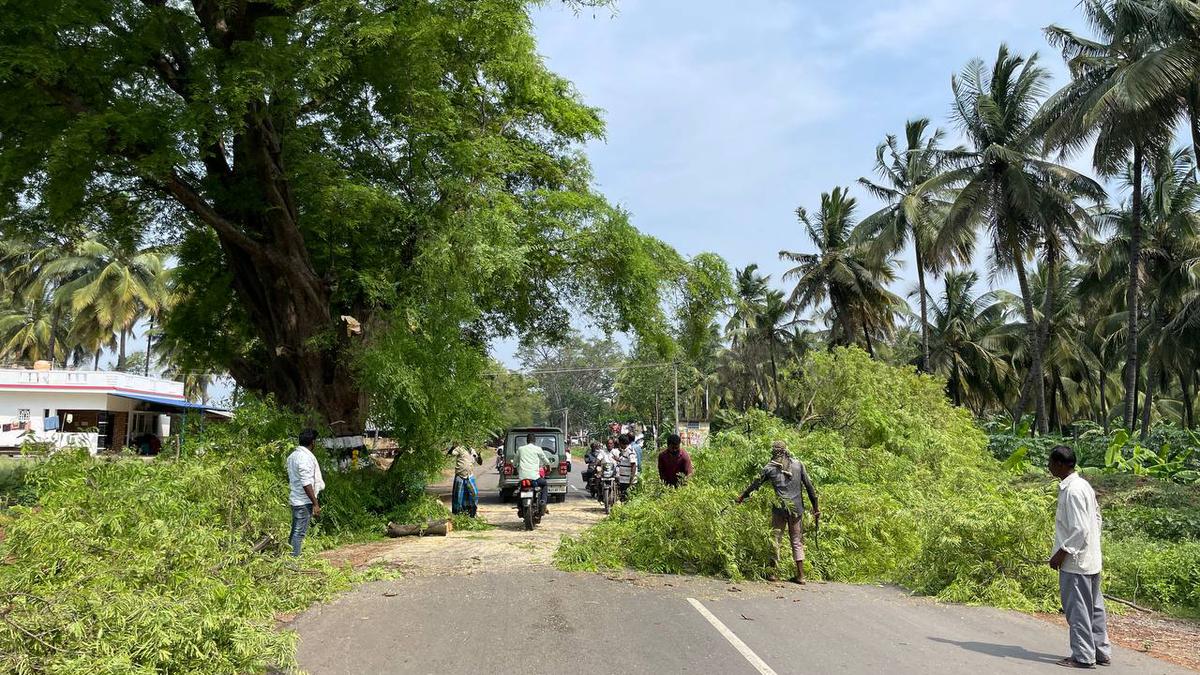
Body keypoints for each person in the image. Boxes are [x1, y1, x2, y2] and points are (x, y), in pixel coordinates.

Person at [1048, 445, 1111, 669]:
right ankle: (1100, 651)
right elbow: (1096, 520)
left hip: (1075, 563)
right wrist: (1091, 547)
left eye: (1051, 462)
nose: (1049, 466)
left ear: (1061, 464)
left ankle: (1083, 657)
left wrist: (1060, 554)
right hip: (1091, 559)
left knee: (1078, 610)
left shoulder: (1073, 490)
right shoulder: (1083, 485)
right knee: (1094, 608)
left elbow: (1079, 529)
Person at [736, 440, 819, 584]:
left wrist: (742, 497)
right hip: (796, 510)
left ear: (773, 451)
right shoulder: (798, 464)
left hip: (779, 509)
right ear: (786, 450)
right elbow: (810, 488)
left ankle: (772, 574)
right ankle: (800, 576)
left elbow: (755, 485)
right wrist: (816, 508)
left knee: (775, 540)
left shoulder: (769, 468)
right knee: (797, 541)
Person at [286, 429, 325, 557]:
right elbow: (306, 483)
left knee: (295, 531)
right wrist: (315, 503)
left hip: (296, 498)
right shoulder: (304, 457)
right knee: (299, 533)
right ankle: (293, 561)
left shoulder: (293, 456)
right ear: (313, 442)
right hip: (303, 501)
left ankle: (289, 557)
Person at [513, 432, 552, 514]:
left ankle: (520, 507)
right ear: (534, 441)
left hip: (523, 478)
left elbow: (515, 463)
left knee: (519, 489)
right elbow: (546, 461)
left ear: (526, 441)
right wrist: (548, 467)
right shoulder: (538, 449)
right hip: (535, 478)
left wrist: (515, 467)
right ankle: (543, 502)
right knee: (544, 484)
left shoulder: (520, 449)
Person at [448, 444, 483, 517]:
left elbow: (480, 463)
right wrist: (453, 447)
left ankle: (472, 513)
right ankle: (457, 515)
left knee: (474, 494)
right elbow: (450, 453)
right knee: (458, 497)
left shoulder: (473, 451)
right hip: (460, 475)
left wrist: (479, 457)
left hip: (469, 476)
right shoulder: (460, 449)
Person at [615, 434, 638, 500]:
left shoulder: (630, 451)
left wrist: (631, 479)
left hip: (628, 481)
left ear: (622, 442)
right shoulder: (624, 451)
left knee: (627, 498)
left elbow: (633, 465)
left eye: (619, 443)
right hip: (623, 480)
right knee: (623, 498)